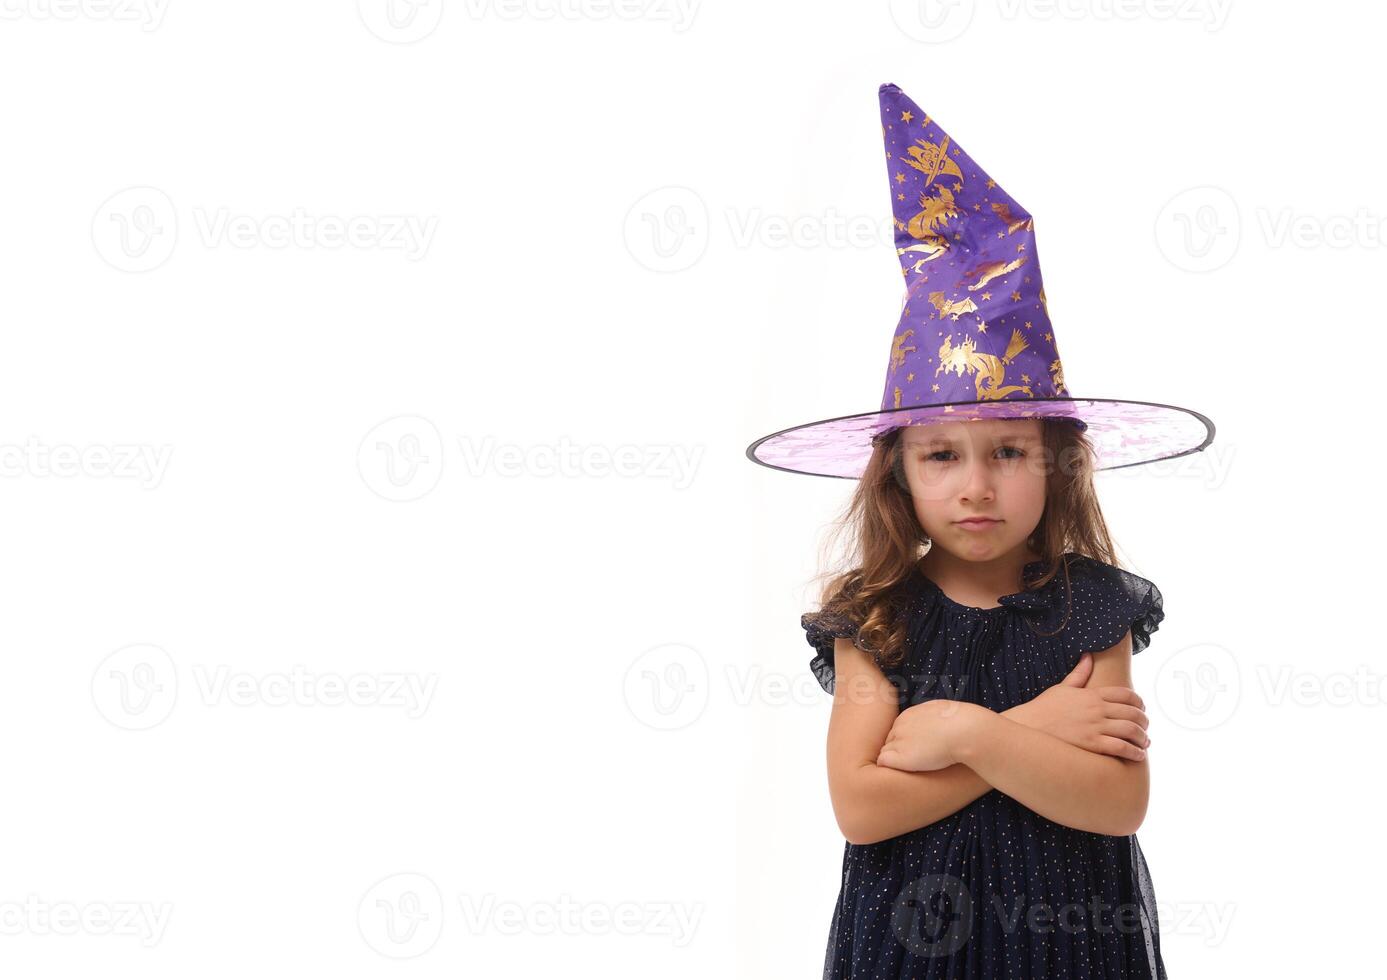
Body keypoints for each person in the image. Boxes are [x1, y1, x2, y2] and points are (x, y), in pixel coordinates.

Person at [745, 83, 1217, 979]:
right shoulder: (874, 616)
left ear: (1056, 462)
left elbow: (1117, 804)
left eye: (1007, 451)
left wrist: (963, 732)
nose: (975, 487)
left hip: (1072, 943)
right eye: (940, 459)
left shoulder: (1090, 605)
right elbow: (860, 806)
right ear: (897, 473)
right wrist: (1036, 728)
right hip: (910, 944)